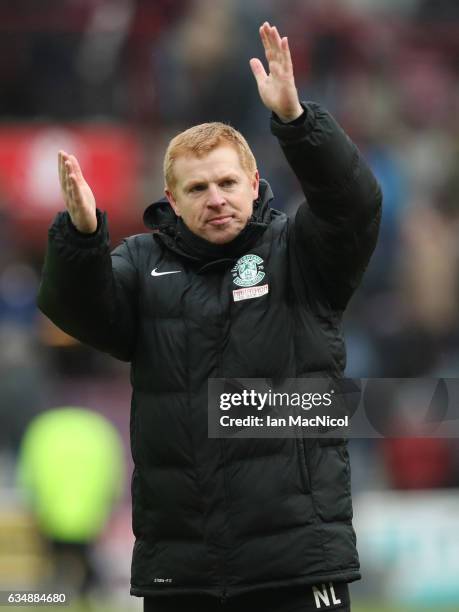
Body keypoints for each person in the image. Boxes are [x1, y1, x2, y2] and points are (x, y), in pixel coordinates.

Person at [37, 22, 382, 612]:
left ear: (254, 183)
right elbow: (80, 311)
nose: (215, 197)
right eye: (197, 188)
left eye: (227, 182)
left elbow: (354, 205)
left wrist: (297, 122)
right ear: (171, 200)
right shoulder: (140, 264)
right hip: (183, 569)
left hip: (295, 564)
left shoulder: (299, 252)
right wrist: (83, 236)